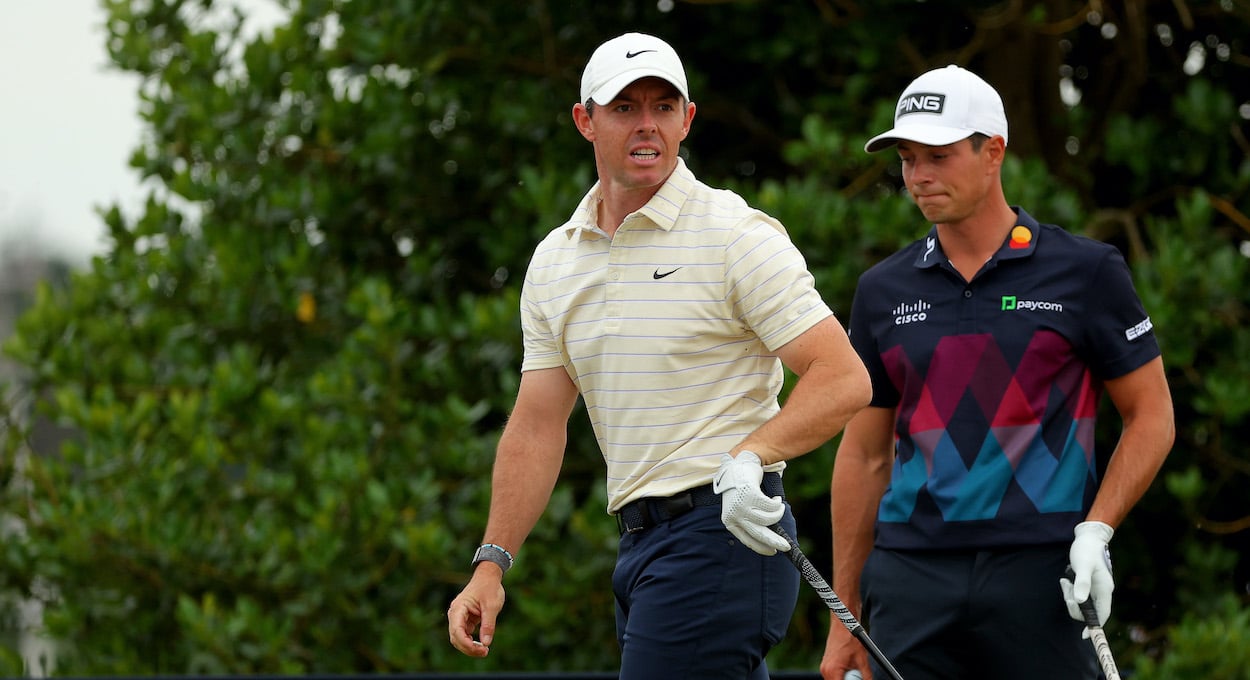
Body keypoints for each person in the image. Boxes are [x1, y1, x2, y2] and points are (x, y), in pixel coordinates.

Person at [446, 32, 872, 679]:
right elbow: (538, 421)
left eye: (663, 107)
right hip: (642, 547)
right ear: (585, 120)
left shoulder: (734, 234)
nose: (647, 125)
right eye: (624, 108)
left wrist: (750, 456)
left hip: (723, 537)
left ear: (687, 120)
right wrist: (491, 563)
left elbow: (842, 377)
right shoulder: (557, 260)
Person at [820, 65, 1175, 680]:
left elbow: (1152, 417)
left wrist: (1097, 529)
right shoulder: (882, 290)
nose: (918, 176)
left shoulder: (1086, 271)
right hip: (911, 578)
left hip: (1041, 573)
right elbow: (864, 456)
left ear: (993, 152)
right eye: (907, 158)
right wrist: (843, 612)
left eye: (938, 155)